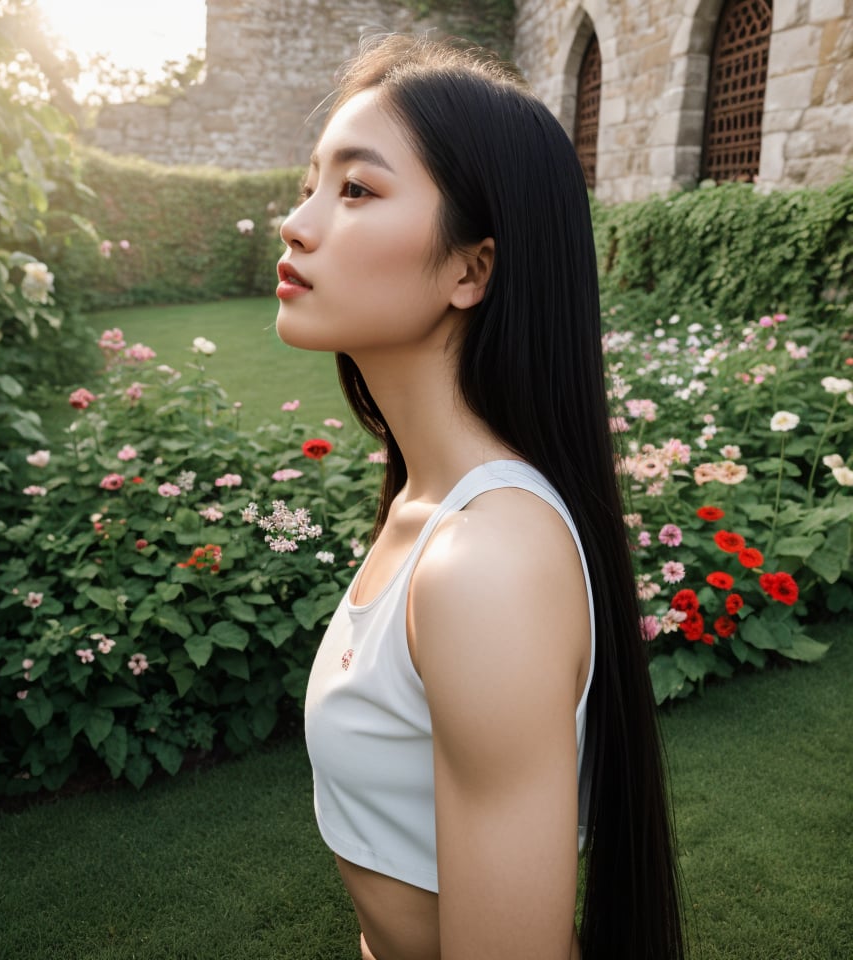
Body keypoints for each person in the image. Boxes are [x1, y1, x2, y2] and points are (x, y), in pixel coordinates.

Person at [275, 34, 686, 960]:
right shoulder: (429, 508)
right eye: (311, 185)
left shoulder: (485, 563)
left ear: (472, 270)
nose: (298, 224)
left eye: (356, 190)